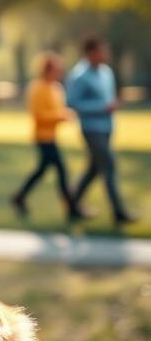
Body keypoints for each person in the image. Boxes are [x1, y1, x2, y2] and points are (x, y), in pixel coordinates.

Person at [65, 36, 136, 227]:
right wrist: (101, 107)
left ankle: (71, 203)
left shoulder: (106, 73)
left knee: (94, 169)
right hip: (91, 129)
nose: (105, 54)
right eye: (101, 50)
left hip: (106, 128)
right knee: (109, 165)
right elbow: (72, 103)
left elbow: (109, 99)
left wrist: (110, 107)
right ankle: (118, 212)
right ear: (90, 53)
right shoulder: (79, 76)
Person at [10, 53, 85, 222]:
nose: (59, 74)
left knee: (42, 171)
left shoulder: (56, 88)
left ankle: (19, 197)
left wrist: (63, 115)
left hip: (52, 137)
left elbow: (58, 109)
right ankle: (72, 208)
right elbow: (39, 115)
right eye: (56, 70)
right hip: (42, 137)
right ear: (47, 70)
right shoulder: (37, 88)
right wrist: (61, 116)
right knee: (61, 171)